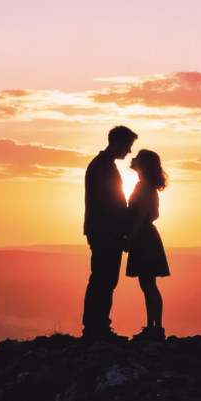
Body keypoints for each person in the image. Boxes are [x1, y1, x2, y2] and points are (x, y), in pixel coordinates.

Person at [81, 125, 137, 340]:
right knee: (104, 279)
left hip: (102, 230)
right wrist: (126, 227)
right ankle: (97, 329)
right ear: (119, 143)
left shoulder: (102, 164)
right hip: (106, 231)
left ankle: (97, 327)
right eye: (129, 146)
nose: (129, 151)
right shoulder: (103, 166)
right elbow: (110, 202)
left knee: (102, 279)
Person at [125, 149, 170, 341]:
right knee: (147, 284)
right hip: (147, 238)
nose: (132, 159)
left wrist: (131, 238)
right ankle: (153, 327)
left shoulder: (144, 187)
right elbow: (154, 214)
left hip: (143, 240)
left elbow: (143, 214)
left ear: (144, 164)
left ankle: (156, 328)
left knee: (149, 285)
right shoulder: (147, 186)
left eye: (137, 158)